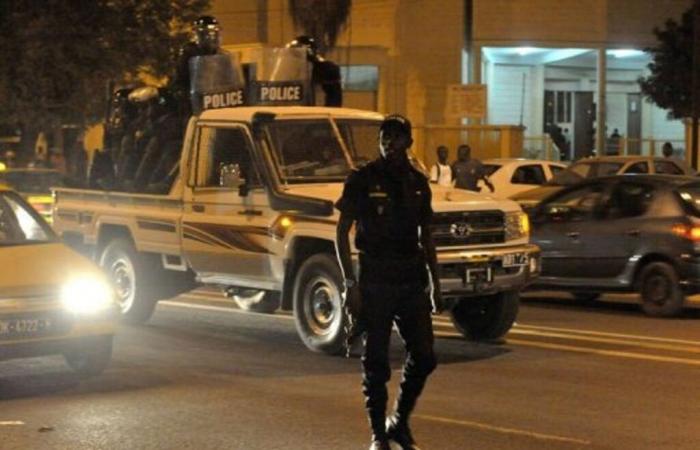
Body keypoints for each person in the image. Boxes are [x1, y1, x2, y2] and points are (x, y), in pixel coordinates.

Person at [335, 114, 442, 450]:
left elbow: (427, 237)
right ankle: (378, 435)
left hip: (410, 279)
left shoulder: (418, 183)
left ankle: (399, 421)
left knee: (425, 356)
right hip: (376, 278)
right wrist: (350, 284)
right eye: (385, 136)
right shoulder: (363, 179)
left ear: (409, 142)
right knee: (376, 362)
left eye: (396, 136)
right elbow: (342, 232)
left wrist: (435, 283)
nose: (389, 142)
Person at [172, 15, 223, 118]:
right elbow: (181, 77)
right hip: (194, 98)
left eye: (214, 33)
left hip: (216, 98)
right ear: (199, 35)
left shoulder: (221, 55)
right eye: (207, 34)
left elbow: (226, 76)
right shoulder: (189, 53)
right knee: (188, 119)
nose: (211, 37)